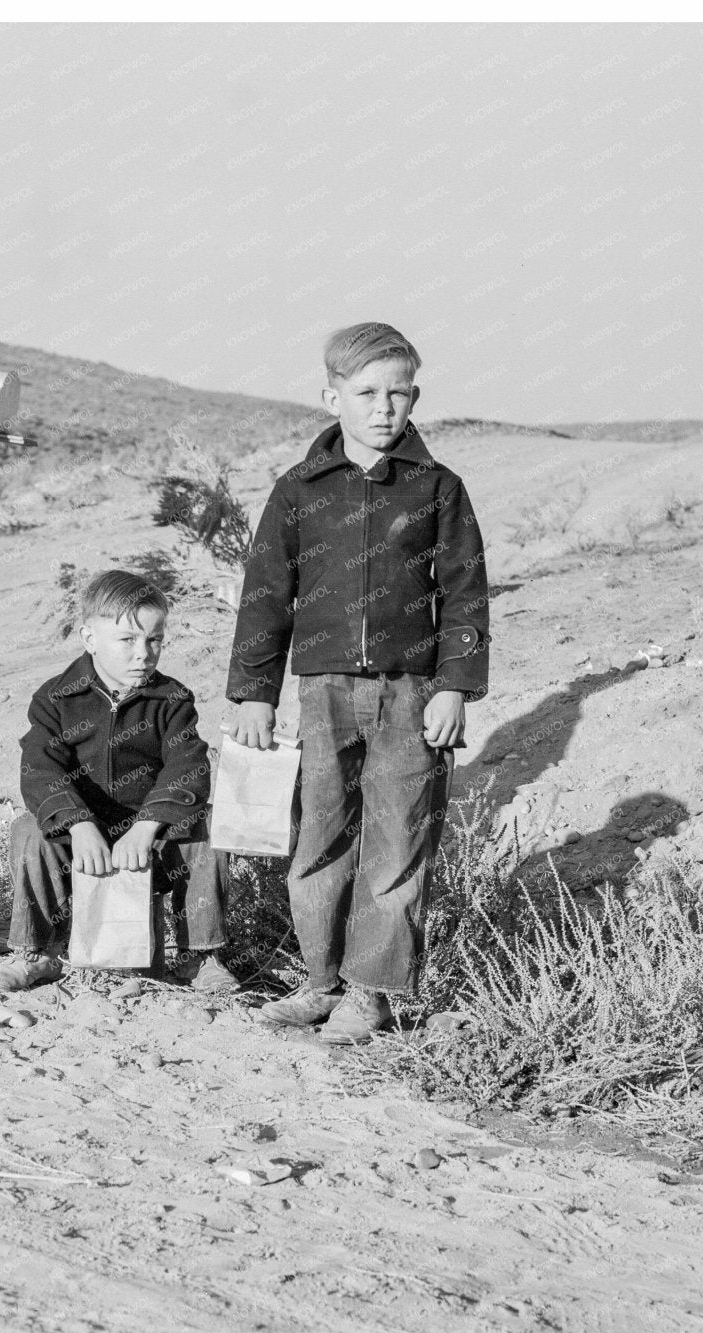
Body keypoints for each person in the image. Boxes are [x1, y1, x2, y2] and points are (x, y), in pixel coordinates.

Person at [224, 321, 490, 1042]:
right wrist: (254, 690)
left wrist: (454, 687)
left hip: (410, 693)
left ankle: (370, 992)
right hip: (322, 692)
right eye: (366, 392)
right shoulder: (299, 491)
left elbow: (465, 594)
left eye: (398, 393)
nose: (383, 408)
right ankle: (319, 981)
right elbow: (266, 593)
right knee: (320, 837)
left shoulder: (437, 489)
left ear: (415, 398)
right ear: (331, 395)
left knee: (398, 842)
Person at [0, 569, 236, 994]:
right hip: (83, 845)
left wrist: (148, 826)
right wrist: (79, 825)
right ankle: (35, 953)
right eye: (127, 640)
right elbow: (39, 769)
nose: (144, 653)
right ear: (89, 638)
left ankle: (199, 957)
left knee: (210, 825)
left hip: (150, 842)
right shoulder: (55, 699)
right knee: (29, 830)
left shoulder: (172, 700)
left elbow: (190, 767)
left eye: (154, 639)